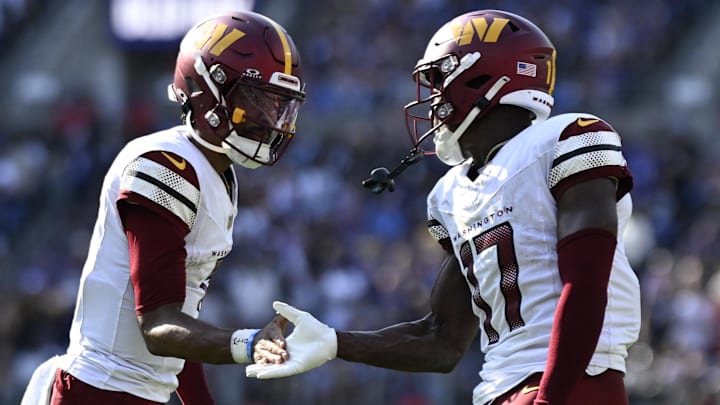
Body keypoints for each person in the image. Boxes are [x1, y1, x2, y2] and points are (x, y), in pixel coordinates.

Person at [246, 9, 641, 405]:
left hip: (574, 383)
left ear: (485, 76)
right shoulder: (451, 193)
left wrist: (551, 398)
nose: (432, 98)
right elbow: (442, 339)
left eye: (438, 79)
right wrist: (335, 342)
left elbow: (586, 285)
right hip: (501, 388)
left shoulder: (566, 139)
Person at [21, 10, 306, 405]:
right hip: (99, 390)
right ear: (209, 90)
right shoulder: (165, 166)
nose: (270, 118)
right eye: (258, 100)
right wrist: (248, 343)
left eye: (280, 104)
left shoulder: (217, 174)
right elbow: (158, 325)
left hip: (138, 392)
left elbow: (179, 324)